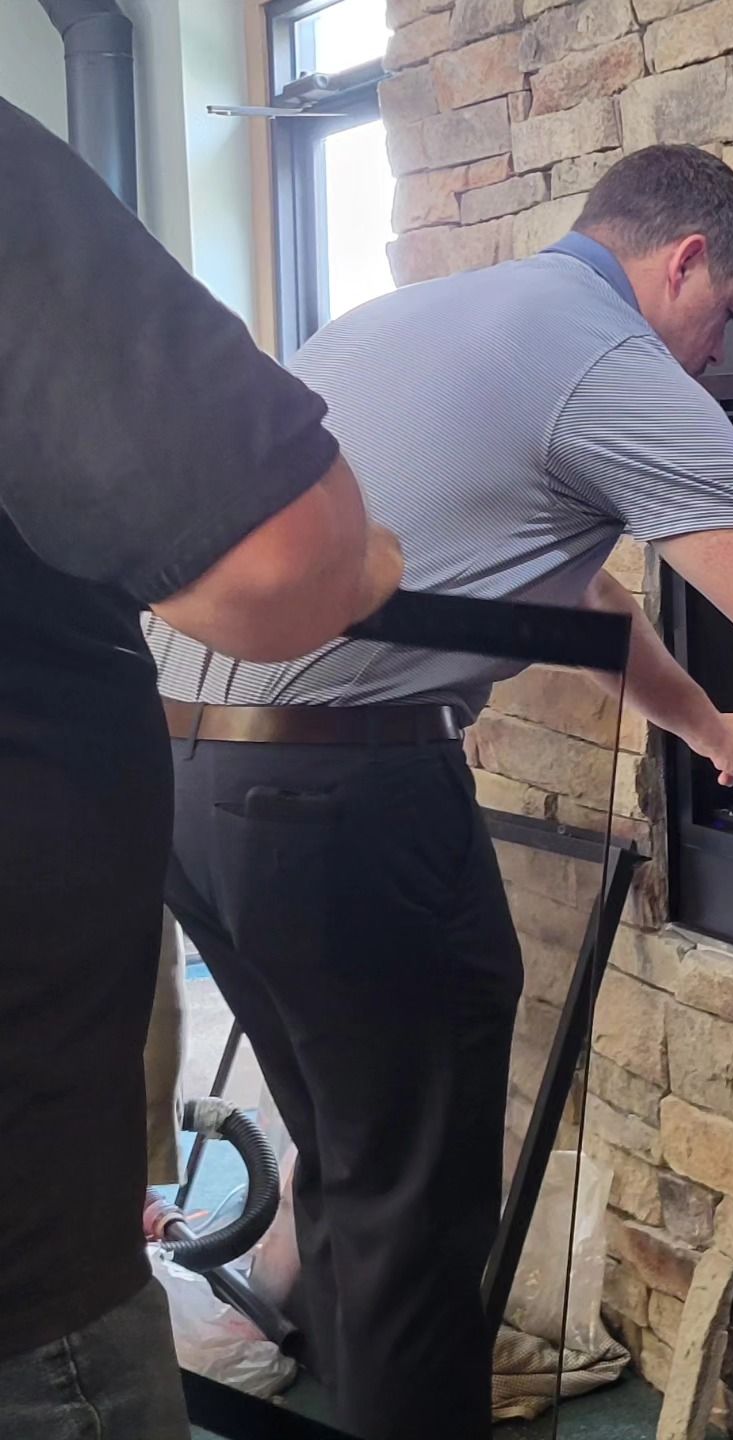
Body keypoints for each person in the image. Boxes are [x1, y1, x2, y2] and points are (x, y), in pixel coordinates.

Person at [147, 143, 733, 1439]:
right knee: (419, 1220)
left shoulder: (434, 318)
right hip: (337, 799)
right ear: (686, 261)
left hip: (190, 783)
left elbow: (570, 598)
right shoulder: (609, 364)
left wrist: (703, 725)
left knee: (363, 1180)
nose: (721, 359)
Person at [0, 97, 403, 1438]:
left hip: (192, 826)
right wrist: (372, 559)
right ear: (694, 268)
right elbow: (284, 562)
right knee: (392, 1136)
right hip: (18, 1261)